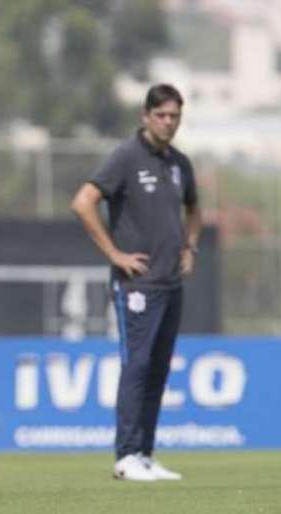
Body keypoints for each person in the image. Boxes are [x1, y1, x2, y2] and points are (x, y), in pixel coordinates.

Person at [71, 84, 201, 481]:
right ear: (145, 116)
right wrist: (114, 254)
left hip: (169, 283)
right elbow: (83, 201)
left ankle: (144, 453)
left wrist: (190, 247)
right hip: (136, 286)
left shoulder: (180, 163)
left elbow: (194, 208)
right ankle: (125, 456)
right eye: (161, 115)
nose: (168, 122)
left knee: (159, 369)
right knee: (137, 365)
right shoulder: (126, 157)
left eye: (174, 115)